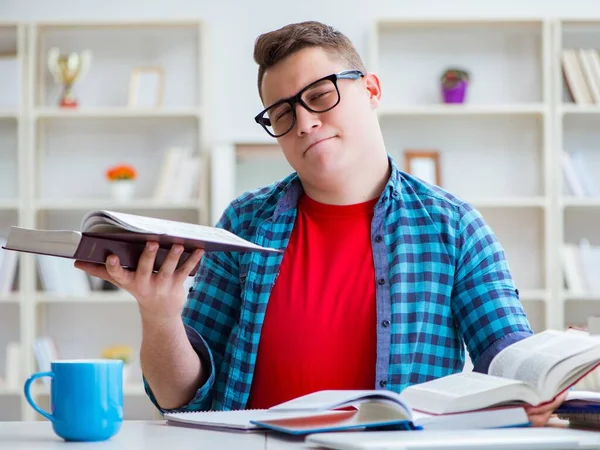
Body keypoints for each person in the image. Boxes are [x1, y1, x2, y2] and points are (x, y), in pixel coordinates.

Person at [75, 20, 566, 426]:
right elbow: (178, 399)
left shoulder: (454, 227)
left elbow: (508, 367)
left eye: (320, 95)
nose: (305, 122)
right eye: (282, 112)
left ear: (370, 89)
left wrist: (554, 377)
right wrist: (160, 317)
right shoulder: (243, 221)